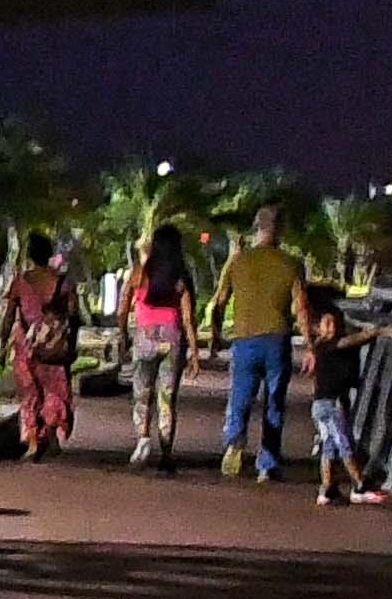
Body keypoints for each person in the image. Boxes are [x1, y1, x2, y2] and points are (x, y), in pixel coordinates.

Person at [211, 205, 308, 482]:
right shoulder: (291, 264)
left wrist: (216, 335)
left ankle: (234, 440)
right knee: (274, 402)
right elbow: (301, 308)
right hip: (277, 339)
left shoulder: (238, 262)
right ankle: (267, 462)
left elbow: (219, 303)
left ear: (256, 227)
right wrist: (311, 345)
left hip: (244, 339)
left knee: (240, 396)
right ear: (280, 229)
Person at [120, 218, 192, 469]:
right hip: (172, 339)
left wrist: (123, 335)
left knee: (142, 393)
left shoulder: (139, 274)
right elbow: (188, 316)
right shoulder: (179, 278)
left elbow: (122, 309)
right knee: (166, 397)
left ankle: (142, 440)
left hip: (145, 338)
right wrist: (194, 350)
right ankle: (166, 450)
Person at [3, 229, 80, 457]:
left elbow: (9, 315)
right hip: (54, 346)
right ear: (49, 254)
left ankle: (33, 440)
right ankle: (52, 434)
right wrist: (70, 344)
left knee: (30, 393)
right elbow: (74, 315)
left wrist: (1, 340)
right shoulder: (63, 282)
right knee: (54, 390)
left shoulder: (20, 282)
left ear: (29, 254)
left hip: (25, 347)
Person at [301, 280, 374, 504]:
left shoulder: (318, 347)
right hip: (331, 404)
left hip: (319, 405)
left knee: (329, 444)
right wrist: (376, 331)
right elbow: (352, 340)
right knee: (343, 442)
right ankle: (359, 484)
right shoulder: (331, 345)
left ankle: (326, 488)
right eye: (327, 323)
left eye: (332, 323)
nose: (330, 327)